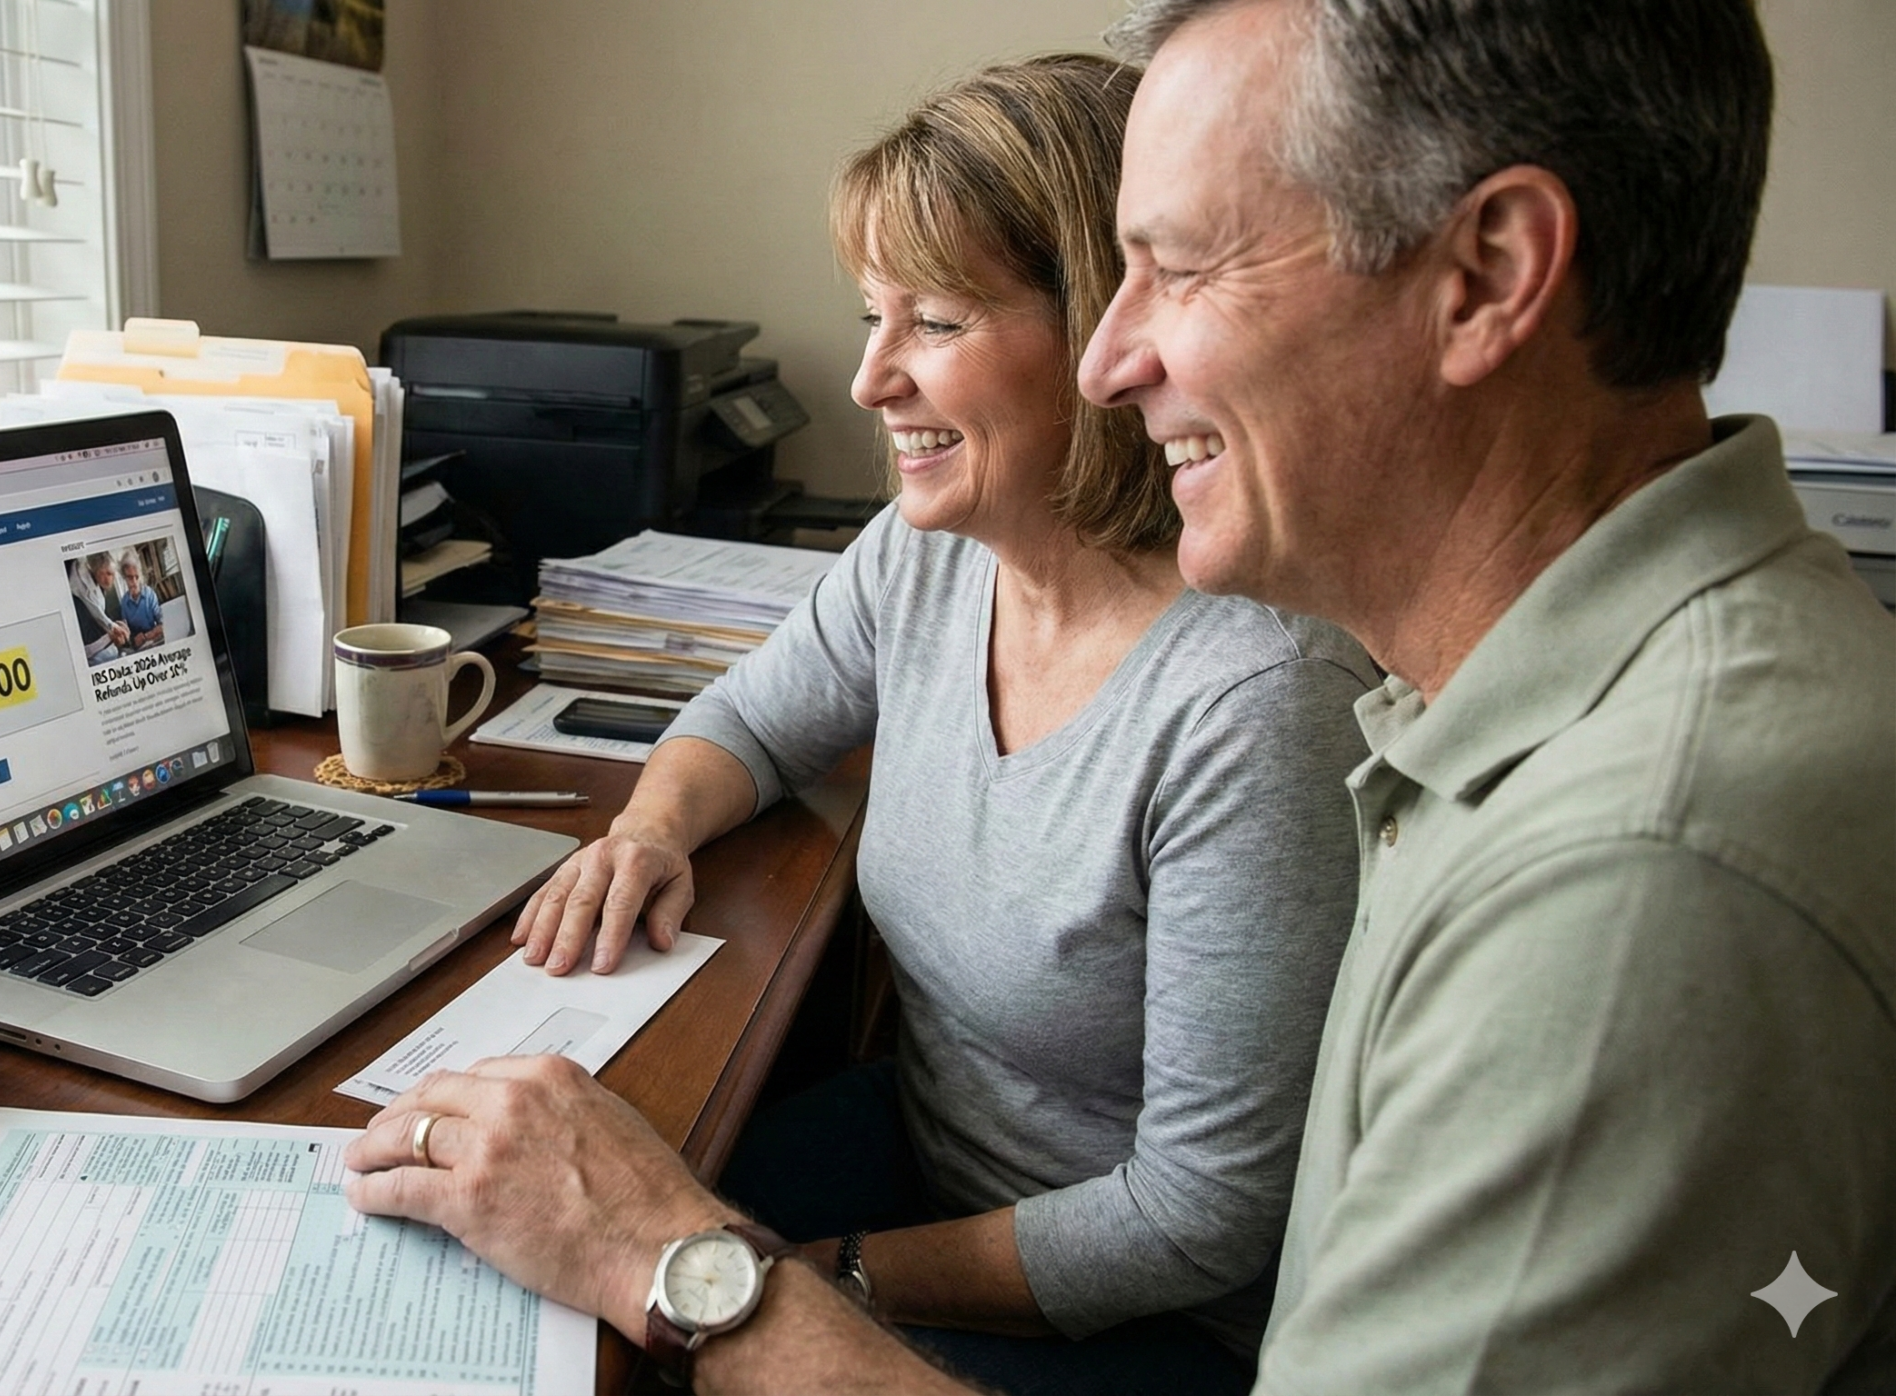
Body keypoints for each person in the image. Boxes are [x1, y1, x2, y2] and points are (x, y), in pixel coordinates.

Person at [345, 1, 1896, 1393]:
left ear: (1485, 276)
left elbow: (1208, 1218)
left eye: (1182, 265)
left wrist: (697, 1275)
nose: (1110, 361)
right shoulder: (1494, 696)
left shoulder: (1634, 880)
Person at [504, 53, 1372, 1393]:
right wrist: (650, 832)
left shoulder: (1256, 702)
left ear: (1110, 327)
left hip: (1140, 1315)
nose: (868, 382)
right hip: (924, 1153)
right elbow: (754, 718)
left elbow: (1199, 1220)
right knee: (524, 1257)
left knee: (640, 1334)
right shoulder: (935, 552)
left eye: (938, 323)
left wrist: (820, 1280)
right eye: (872, 316)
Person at [117, 553, 165, 648]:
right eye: (130, 577)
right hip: (140, 646)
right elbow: (127, 635)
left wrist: (150, 633)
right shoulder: (124, 603)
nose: (134, 582)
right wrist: (133, 639)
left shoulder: (150, 594)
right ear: (124, 578)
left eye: (137, 577)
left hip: (154, 639)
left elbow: (162, 621)